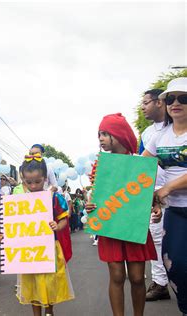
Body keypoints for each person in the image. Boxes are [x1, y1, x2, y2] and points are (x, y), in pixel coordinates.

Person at [85, 113, 158, 316]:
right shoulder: (100, 165)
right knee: (116, 276)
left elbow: (148, 193)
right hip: (110, 225)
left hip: (134, 225)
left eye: (105, 133)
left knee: (136, 277)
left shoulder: (140, 163)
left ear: (119, 134)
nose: (101, 138)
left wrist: (156, 203)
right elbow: (94, 197)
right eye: (99, 134)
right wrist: (90, 206)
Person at [143, 77, 187, 314]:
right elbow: (142, 168)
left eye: (183, 98)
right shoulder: (159, 136)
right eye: (170, 98)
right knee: (174, 264)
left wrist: (167, 188)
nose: (175, 103)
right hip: (175, 211)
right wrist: (152, 197)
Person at [14, 155, 74, 316]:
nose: (33, 186)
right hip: (29, 251)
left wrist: (57, 225)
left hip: (49, 250)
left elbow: (64, 220)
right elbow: (15, 225)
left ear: (45, 178)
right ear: (23, 179)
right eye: (29, 182)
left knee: (48, 284)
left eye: (38, 181)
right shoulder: (20, 202)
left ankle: (49, 312)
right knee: (32, 285)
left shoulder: (54, 198)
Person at [139, 88, 171, 301]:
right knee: (156, 239)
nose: (143, 107)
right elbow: (142, 164)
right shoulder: (146, 134)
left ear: (160, 103)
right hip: (156, 196)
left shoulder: (177, 125)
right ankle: (160, 283)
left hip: (179, 193)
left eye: (146, 103)